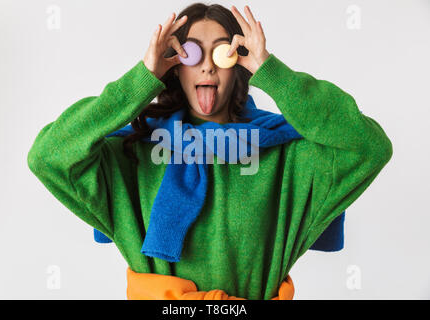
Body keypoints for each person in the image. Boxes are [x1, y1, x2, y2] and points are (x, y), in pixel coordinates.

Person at [27, 3, 393, 300]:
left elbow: (369, 147)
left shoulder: (287, 157)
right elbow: (47, 155)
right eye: (190, 53)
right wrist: (139, 79)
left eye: (221, 52)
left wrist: (273, 72)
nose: (205, 65)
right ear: (174, 67)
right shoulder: (133, 154)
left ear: (238, 65)